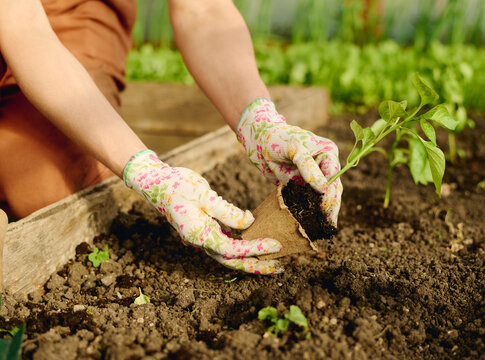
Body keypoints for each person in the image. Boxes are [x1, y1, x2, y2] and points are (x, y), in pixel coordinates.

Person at [0, 0, 343, 274]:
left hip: (61, 15)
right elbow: (15, 20)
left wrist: (260, 121)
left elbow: (202, 8)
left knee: (45, 182)